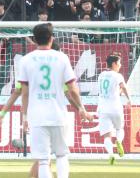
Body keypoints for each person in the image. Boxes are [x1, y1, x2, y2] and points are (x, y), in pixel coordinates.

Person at [17, 23, 92, 178]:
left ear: (34, 40)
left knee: (43, 160)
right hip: (58, 115)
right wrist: (82, 109)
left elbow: (25, 94)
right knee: (62, 155)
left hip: (36, 117)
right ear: (52, 38)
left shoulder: (25, 60)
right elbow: (72, 89)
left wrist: (24, 117)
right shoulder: (62, 57)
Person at [97, 52, 131, 165]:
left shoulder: (101, 75)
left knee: (107, 135)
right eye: (119, 63)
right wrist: (129, 99)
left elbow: (107, 91)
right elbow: (123, 88)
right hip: (115, 107)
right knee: (119, 129)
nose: (120, 65)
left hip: (103, 108)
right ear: (114, 63)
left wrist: (118, 92)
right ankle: (119, 141)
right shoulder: (118, 76)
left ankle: (111, 155)